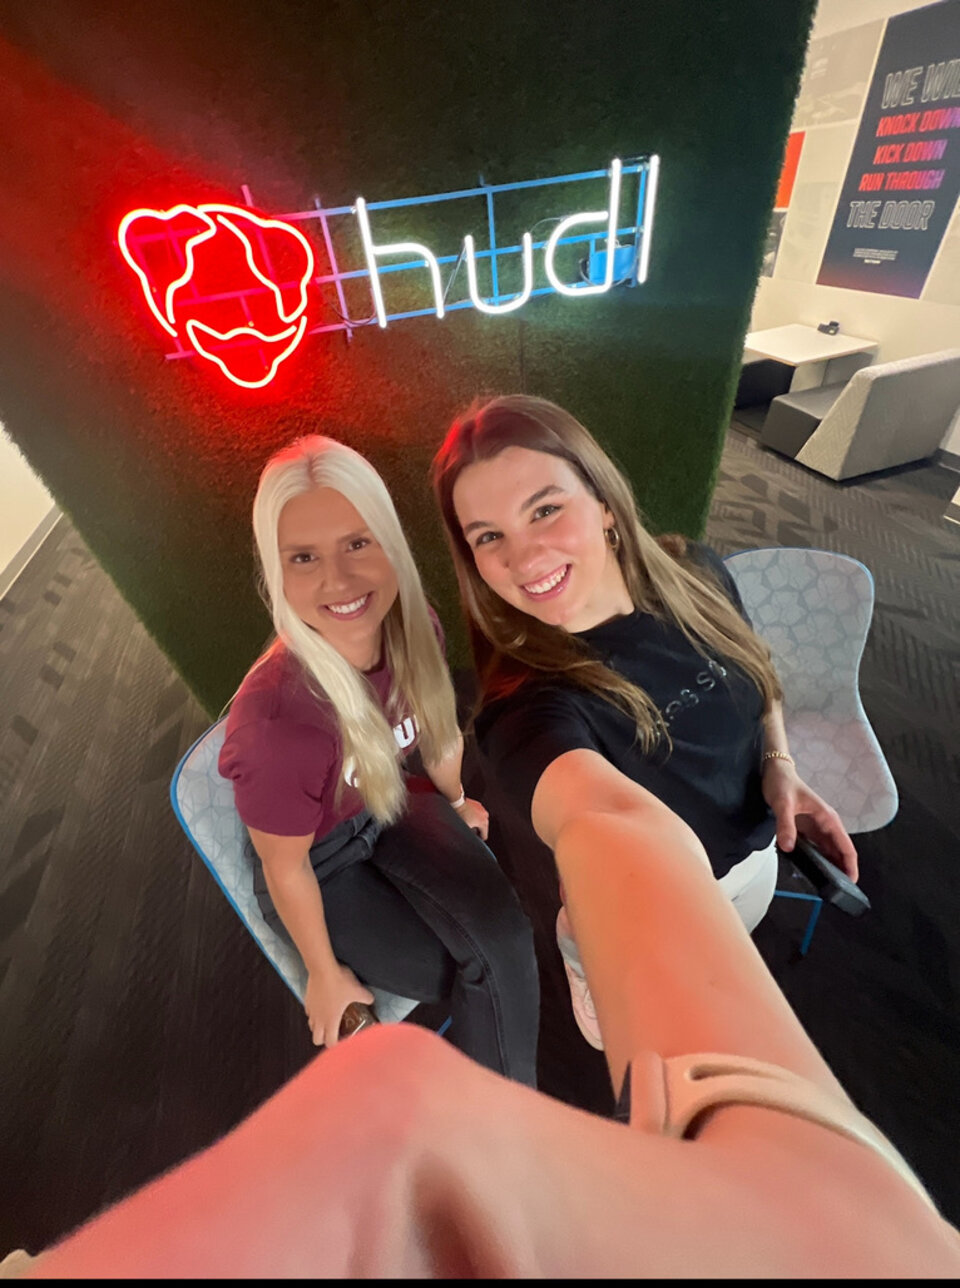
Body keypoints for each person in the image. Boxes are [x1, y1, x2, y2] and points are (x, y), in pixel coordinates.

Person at [13, 782, 960, 1278]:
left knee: (483, 966)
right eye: (488, 535)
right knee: (449, 1009)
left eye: (360, 546)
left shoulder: (401, 642)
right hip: (351, 861)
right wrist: (328, 974)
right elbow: (603, 809)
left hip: (413, 818)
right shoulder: (292, 723)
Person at [430, 394, 858, 1061]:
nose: (523, 555)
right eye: (489, 536)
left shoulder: (696, 573)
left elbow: (756, 666)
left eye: (545, 509)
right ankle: (582, 950)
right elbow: (594, 811)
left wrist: (780, 764)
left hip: (756, 859)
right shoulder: (524, 710)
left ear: (603, 502)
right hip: (660, 912)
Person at [217, 434, 538, 1081]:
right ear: (276, 572)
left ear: (390, 542)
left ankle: (504, 1119)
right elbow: (285, 868)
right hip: (321, 858)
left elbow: (436, 723)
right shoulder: (275, 723)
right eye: (304, 557)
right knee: (457, 969)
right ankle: (497, 1117)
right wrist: (324, 975)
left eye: (357, 542)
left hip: (389, 795)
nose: (339, 580)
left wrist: (452, 799)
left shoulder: (412, 624)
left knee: (504, 944)